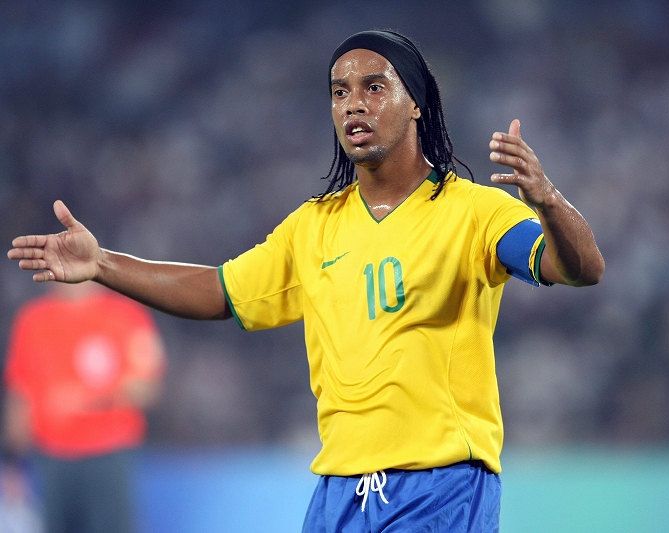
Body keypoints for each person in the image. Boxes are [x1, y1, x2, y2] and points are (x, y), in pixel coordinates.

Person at [7, 30, 603, 532]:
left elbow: (578, 268)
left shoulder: (474, 211)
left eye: (374, 87)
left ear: (417, 103)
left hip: (441, 486)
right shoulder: (313, 227)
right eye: (340, 92)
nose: (353, 105)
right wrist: (103, 264)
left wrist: (548, 201)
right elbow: (220, 291)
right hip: (340, 490)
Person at [2, 282, 166, 533]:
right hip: (52, 458)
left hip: (108, 456)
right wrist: (13, 464)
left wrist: (87, 400)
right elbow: (20, 394)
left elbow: (148, 388)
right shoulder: (32, 320)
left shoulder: (126, 314)